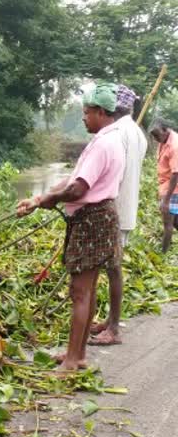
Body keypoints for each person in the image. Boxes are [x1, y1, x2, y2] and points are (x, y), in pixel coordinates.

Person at [17, 82, 124, 371]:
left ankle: (75, 359)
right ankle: (75, 354)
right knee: (85, 290)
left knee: (80, 291)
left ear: (101, 112)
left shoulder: (104, 143)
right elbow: (73, 179)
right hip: (96, 219)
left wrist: (52, 199)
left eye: (87, 112)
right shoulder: (105, 139)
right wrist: (39, 199)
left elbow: (77, 189)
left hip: (92, 220)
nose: (83, 117)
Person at [89, 84, 147, 346]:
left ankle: (113, 328)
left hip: (113, 209)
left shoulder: (118, 132)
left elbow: (113, 173)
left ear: (118, 106)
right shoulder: (138, 133)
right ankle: (109, 321)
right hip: (125, 209)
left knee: (111, 268)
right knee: (111, 266)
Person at [150, 119, 178, 253]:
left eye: (157, 135)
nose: (155, 139)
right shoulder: (164, 140)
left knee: (168, 223)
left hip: (173, 190)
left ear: (165, 130)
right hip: (166, 187)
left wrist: (166, 200)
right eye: (154, 136)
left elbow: (176, 173)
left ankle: (163, 255)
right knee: (175, 221)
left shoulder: (174, 145)